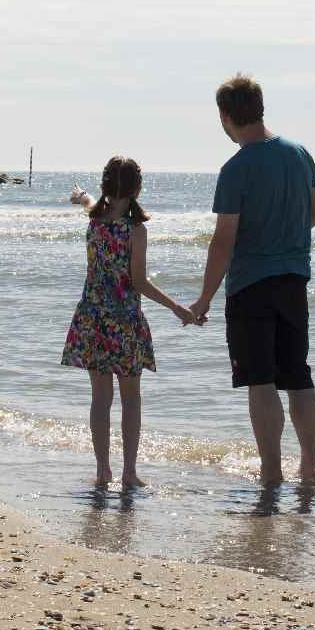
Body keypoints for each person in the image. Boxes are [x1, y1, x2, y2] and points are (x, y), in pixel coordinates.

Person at [190, 75, 315, 486]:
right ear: (260, 106)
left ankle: (271, 471)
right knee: (298, 375)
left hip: (251, 285)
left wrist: (204, 299)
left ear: (225, 116)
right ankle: (310, 466)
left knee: (260, 379)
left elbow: (223, 243)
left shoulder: (236, 168)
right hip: (294, 279)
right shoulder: (300, 154)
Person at [62, 156, 195, 488]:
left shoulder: (95, 222)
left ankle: (102, 470)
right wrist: (176, 306)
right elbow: (139, 283)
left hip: (92, 318)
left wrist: (83, 197)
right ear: (137, 188)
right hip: (124, 322)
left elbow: (91, 204)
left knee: (100, 399)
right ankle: (128, 472)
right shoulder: (135, 230)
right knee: (131, 398)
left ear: (106, 185)